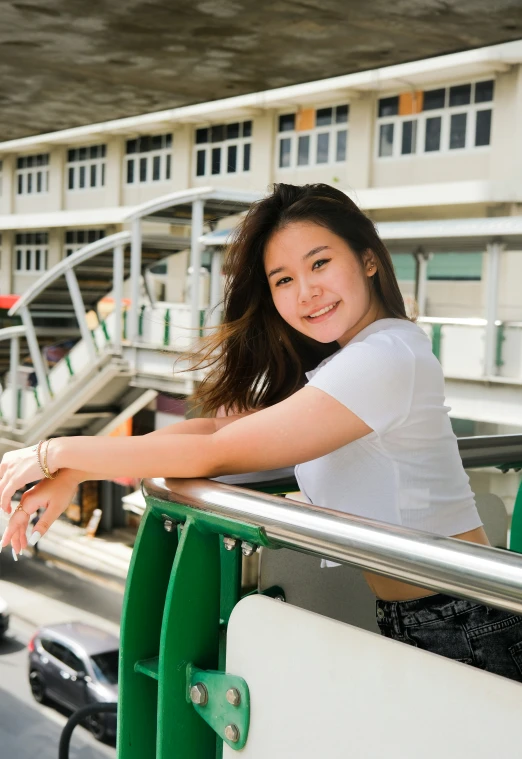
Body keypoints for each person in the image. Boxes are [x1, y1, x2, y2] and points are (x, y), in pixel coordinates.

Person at [0, 183, 521, 681]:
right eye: (283, 279)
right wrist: (71, 472)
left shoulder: (386, 358)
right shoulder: (359, 359)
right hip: (436, 614)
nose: (306, 291)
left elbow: (215, 451)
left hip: (466, 623)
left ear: (367, 259)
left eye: (320, 263)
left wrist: (53, 452)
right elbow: (214, 429)